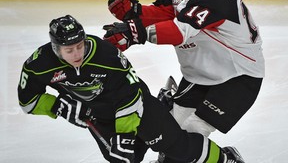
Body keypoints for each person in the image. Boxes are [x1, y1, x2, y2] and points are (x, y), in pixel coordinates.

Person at [103, 0, 265, 163]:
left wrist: (133, 32)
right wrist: (134, 11)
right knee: (169, 130)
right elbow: (163, 13)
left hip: (237, 76)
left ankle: (227, 160)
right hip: (199, 73)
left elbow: (179, 31)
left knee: (191, 132)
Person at [17, 15, 245, 163]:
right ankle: (164, 105)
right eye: (70, 50)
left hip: (136, 107)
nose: (77, 54)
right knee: (125, 159)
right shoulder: (38, 65)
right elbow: (28, 101)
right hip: (98, 117)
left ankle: (226, 159)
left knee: (176, 148)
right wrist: (57, 106)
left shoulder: (104, 55)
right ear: (56, 49)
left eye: (80, 46)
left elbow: (131, 93)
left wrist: (125, 133)